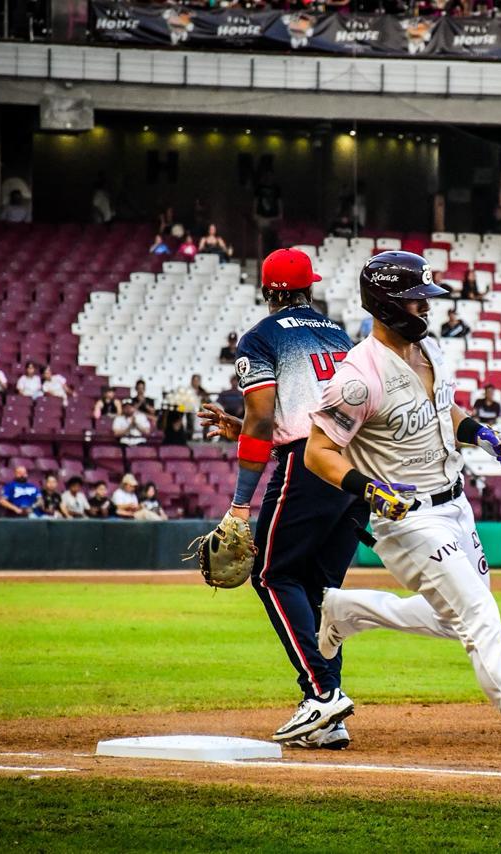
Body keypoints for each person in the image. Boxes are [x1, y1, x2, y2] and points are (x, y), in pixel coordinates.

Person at [305, 250, 501, 780]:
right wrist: (370, 489)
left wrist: (479, 432)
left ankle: (347, 611)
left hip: (455, 505)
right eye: (418, 298)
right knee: (481, 619)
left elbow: (444, 411)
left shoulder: (431, 349)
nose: (427, 308)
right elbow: (318, 453)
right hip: (408, 519)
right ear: (388, 303)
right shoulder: (357, 377)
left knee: (454, 618)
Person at [196, 247, 368, 751]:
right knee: (320, 593)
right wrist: (244, 429)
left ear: (268, 290)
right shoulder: (340, 335)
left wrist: (239, 505)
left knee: (273, 575)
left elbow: (265, 420)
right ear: (308, 288)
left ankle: (322, 694)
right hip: (357, 472)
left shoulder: (260, 337)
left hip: (310, 464)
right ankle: (328, 715)